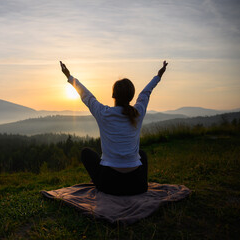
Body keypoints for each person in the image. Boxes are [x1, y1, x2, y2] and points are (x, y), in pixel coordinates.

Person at [60, 60, 168, 196]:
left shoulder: (103, 113)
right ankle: (137, 182)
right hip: (137, 185)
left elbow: (86, 96)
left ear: (113, 95)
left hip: (109, 185)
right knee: (142, 154)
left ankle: (103, 181)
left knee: (86, 153)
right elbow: (146, 93)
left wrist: (69, 77)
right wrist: (158, 76)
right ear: (131, 96)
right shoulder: (138, 113)